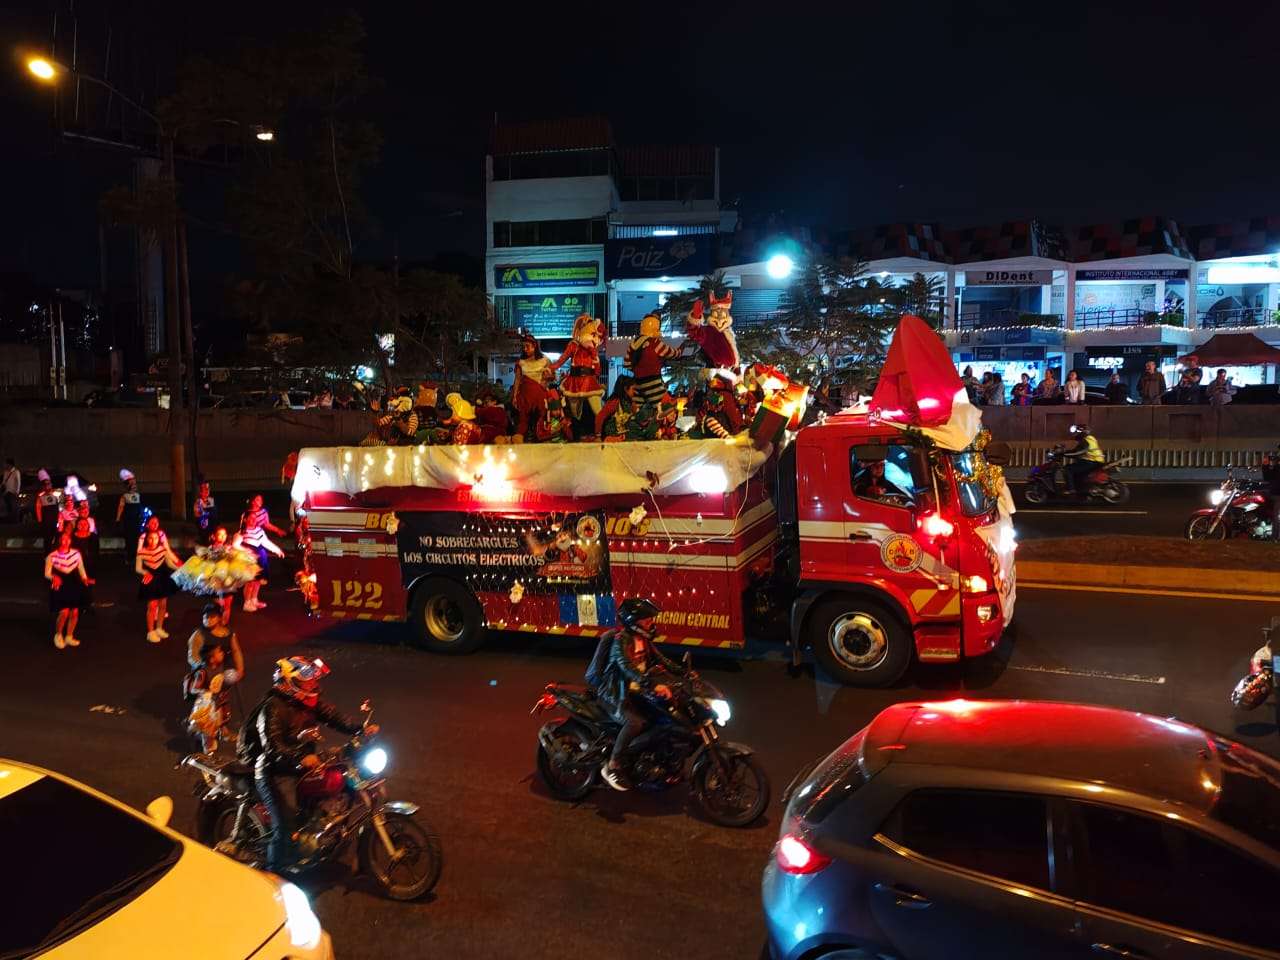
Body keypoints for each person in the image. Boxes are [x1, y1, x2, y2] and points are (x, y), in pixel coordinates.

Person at [238, 656, 374, 872]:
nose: (313, 685)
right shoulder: (273, 708)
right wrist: (299, 758)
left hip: (300, 762)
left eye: (313, 680)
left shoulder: (307, 701)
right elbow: (273, 747)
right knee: (285, 823)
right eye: (306, 681)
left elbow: (334, 716)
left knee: (339, 779)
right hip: (273, 768)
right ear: (289, 683)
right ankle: (274, 874)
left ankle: (319, 831)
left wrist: (359, 729)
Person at [587, 597, 683, 791]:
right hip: (614, 694)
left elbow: (661, 660)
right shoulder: (620, 641)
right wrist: (651, 685)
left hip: (634, 692)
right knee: (635, 722)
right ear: (634, 622)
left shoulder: (643, 640)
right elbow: (626, 666)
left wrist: (685, 672)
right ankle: (612, 765)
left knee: (664, 717)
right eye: (647, 620)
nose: (652, 623)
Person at [186, 643, 241, 753]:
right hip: (206, 707)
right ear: (211, 659)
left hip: (216, 704)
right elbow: (193, 689)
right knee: (208, 733)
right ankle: (208, 756)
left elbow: (220, 683)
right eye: (219, 652)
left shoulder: (220, 667)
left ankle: (203, 740)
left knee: (214, 729)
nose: (222, 653)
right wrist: (205, 692)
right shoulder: (203, 672)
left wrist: (229, 679)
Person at [45, 529, 93, 649]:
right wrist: (53, 577)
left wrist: (85, 579)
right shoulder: (51, 556)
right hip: (60, 584)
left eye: (67, 539)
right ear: (59, 541)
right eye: (63, 539)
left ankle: (69, 636)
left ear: (70, 540)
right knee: (64, 612)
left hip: (74, 583)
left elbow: (81, 568)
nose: (65, 541)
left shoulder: (76, 553)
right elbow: (47, 573)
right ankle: (58, 634)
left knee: (75, 612)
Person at [239, 494, 287, 612]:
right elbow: (236, 545)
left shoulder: (259, 530)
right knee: (250, 581)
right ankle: (247, 602)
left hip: (259, 556)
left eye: (255, 518)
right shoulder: (242, 533)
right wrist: (244, 551)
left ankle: (254, 599)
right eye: (250, 518)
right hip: (248, 559)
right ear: (245, 519)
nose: (253, 519)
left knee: (257, 581)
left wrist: (277, 550)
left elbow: (266, 542)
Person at [137, 528, 181, 643]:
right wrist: (144, 572)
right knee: (152, 606)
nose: (153, 540)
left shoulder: (162, 550)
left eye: (156, 538)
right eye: (150, 538)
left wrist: (181, 569)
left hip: (163, 578)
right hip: (150, 580)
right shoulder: (141, 552)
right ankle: (150, 632)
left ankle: (159, 628)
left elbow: (170, 564)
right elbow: (137, 568)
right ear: (147, 539)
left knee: (163, 604)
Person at [188, 601, 246, 675]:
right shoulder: (198, 634)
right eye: (206, 617)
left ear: (219, 618)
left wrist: (240, 669)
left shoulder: (228, 633)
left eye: (212, 616)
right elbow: (192, 656)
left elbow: (236, 651)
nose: (208, 620)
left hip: (224, 670)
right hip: (204, 672)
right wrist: (204, 669)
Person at [68, 499, 99, 609]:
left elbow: (95, 548)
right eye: (82, 511)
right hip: (76, 561)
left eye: (86, 510)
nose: (84, 512)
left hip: (89, 560)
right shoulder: (74, 522)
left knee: (89, 581)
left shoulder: (91, 522)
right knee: (78, 581)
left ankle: (88, 602)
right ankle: (78, 601)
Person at [1060, 423, 1105, 494]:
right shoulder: (1090, 439)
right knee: (1076, 469)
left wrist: (1064, 454)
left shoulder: (1086, 440)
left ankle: (1071, 489)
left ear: (1081, 432)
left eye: (1076, 432)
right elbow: (1076, 451)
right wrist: (1065, 452)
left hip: (1091, 461)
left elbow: (1079, 452)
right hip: (1095, 461)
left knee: (1067, 469)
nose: (1074, 434)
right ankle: (1080, 488)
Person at [115, 468, 144, 567]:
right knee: (129, 539)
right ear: (128, 485)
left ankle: (136, 557)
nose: (134, 485)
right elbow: (121, 507)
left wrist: (142, 517)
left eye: (134, 483)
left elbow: (139, 507)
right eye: (131, 483)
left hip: (137, 520)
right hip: (128, 520)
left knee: (137, 538)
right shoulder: (124, 496)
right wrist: (118, 519)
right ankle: (130, 557)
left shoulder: (138, 495)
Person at [34, 470, 60, 544]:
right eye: (45, 484)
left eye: (48, 484)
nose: (47, 486)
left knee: (55, 536)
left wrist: (59, 519)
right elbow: (38, 508)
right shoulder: (40, 496)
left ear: (51, 484)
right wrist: (40, 520)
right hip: (46, 520)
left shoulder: (55, 494)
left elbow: (59, 507)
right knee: (47, 538)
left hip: (54, 520)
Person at [1261, 446, 1280, 542]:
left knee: (1277, 516)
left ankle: (1275, 537)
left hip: (1277, 494)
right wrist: (1265, 465)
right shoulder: (1277, 465)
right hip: (1275, 493)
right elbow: (1268, 477)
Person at [193, 478, 218, 546]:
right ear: (201, 491)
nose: (207, 490)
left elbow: (215, 518)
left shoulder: (211, 500)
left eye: (208, 488)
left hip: (213, 530)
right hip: (203, 533)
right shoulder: (198, 503)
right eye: (205, 488)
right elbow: (201, 522)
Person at [2, 458, 19, 523]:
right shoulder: (6, 472)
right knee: (8, 506)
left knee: (13, 507)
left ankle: (14, 521)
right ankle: (10, 520)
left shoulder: (16, 472)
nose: (5, 465)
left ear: (10, 464)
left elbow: (18, 482)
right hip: (6, 492)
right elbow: (4, 482)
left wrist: (16, 492)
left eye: (6, 464)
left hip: (12, 492)